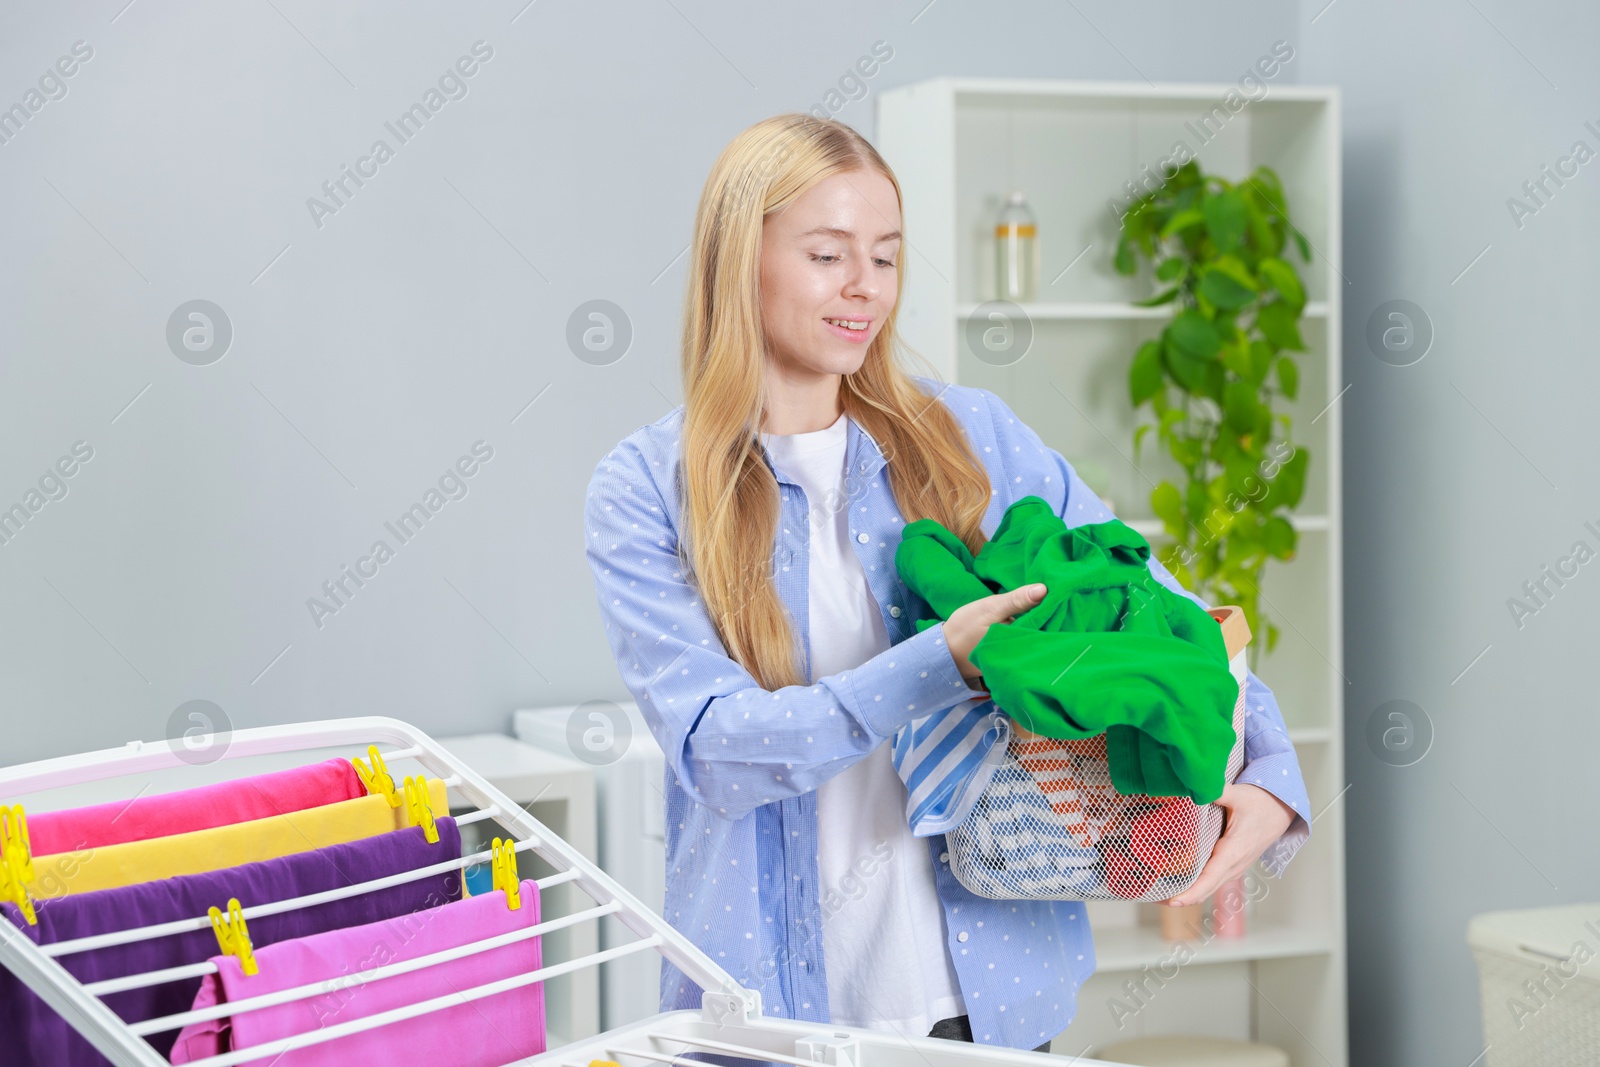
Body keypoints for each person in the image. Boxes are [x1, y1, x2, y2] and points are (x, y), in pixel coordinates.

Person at [582, 112, 1312, 1053]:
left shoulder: (971, 435)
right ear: (739, 259)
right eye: (827, 254)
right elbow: (718, 751)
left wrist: (1271, 767)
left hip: (989, 996)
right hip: (773, 1018)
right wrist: (942, 662)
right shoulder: (649, 489)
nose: (864, 289)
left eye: (884, 257)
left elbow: (1151, 602)